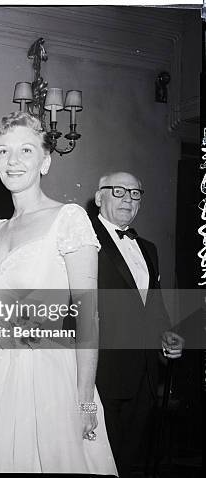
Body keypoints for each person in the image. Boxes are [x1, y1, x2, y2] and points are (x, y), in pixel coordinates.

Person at [0, 111, 117, 474]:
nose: (13, 161)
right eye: (4, 152)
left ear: (46, 162)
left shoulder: (68, 218)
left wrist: (84, 401)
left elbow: (88, 316)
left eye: (25, 150)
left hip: (45, 376)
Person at [91, 172, 184, 477]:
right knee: (97, 459)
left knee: (130, 461)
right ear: (99, 198)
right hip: (99, 373)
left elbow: (153, 305)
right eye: (118, 191)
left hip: (144, 373)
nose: (128, 199)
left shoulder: (148, 248)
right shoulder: (83, 241)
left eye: (135, 193)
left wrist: (167, 335)